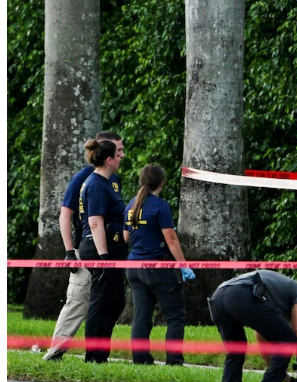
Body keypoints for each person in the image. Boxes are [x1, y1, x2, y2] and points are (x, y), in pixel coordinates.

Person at [43, 132, 124, 361]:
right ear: (107, 153)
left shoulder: (113, 179)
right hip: (88, 248)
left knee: (111, 300)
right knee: (78, 300)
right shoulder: (86, 178)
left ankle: (98, 353)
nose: (122, 154)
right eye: (119, 150)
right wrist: (70, 251)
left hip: (105, 247)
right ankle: (56, 351)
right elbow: (66, 215)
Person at [123, 164, 194, 366]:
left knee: (142, 315)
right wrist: (183, 265)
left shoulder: (131, 205)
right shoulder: (160, 206)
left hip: (134, 268)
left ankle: (141, 359)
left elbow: (126, 237)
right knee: (176, 316)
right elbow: (171, 239)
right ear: (161, 183)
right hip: (157, 268)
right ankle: (174, 361)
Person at [78, 138, 128, 363]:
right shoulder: (96, 184)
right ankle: (94, 356)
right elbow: (95, 222)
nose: (121, 158)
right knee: (101, 299)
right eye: (117, 155)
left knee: (116, 300)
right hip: (99, 247)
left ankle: (101, 353)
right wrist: (104, 256)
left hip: (110, 247)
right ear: (108, 160)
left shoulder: (106, 182)